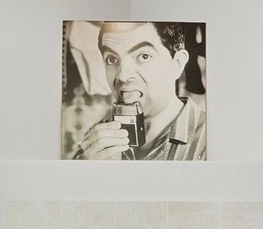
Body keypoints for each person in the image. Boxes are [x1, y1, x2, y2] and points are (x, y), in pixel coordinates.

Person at [74, 21, 207, 159]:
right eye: (112, 59)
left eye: (144, 56)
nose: (123, 76)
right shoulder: (96, 139)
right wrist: (86, 168)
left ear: (177, 64)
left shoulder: (211, 138)